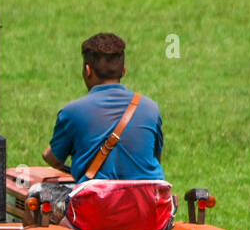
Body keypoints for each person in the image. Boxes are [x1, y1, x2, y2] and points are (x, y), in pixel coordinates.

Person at [42, 33, 164, 184]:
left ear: (88, 71)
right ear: (124, 70)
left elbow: (54, 160)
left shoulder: (71, 112)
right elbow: (155, 159)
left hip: (98, 204)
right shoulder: (150, 108)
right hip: (148, 203)